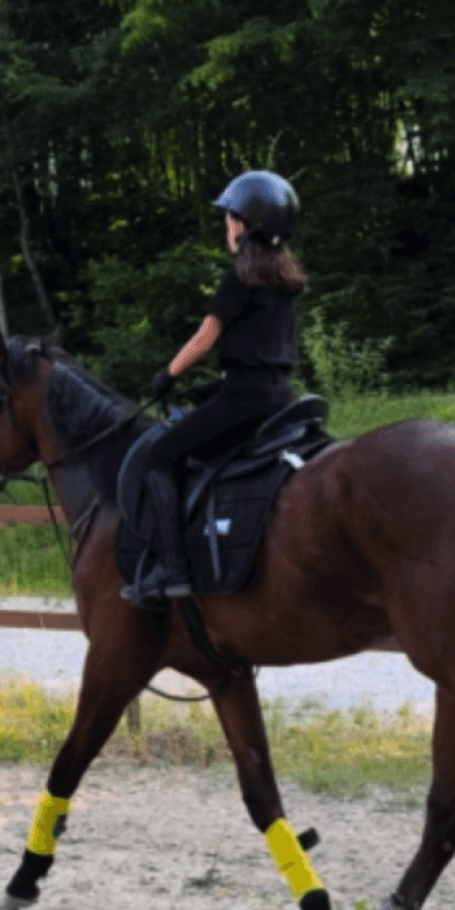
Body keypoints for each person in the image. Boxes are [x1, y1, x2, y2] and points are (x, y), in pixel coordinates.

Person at [121, 170, 305, 608]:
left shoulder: (239, 278)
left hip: (243, 402)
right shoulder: (285, 282)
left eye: (228, 220)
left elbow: (206, 337)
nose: (227, 228)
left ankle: (173, 570)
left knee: (157, 456)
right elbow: (259, 351)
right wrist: (210, 388)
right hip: (279, 398)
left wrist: (170, 374)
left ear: (244, 224)